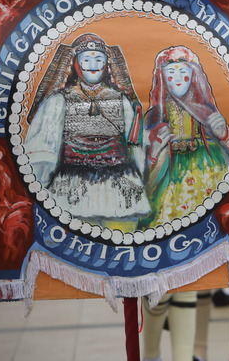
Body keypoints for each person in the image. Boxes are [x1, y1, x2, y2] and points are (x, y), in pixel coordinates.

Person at [26, 32, 149, 232]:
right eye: (86, 59)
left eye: (98, 59)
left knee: (122, 236)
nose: (93, 64)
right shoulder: (59, 101)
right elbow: (44, 147)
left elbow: (136, 144)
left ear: (107, 64)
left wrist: (141, 171)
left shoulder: (121, 99)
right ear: (76, 64)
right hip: (73, 183)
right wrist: (41, 182)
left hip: (120, 183)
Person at [140, 45, 229, 228]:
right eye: (171, 72)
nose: (177, 78)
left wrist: (224, 136)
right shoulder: (155, 115)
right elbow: (141, 162)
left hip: (209, 168)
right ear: (162, 77)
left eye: (182, 71)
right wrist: (153, 154)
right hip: (168, 173)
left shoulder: (207, 111)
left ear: (194, 75)